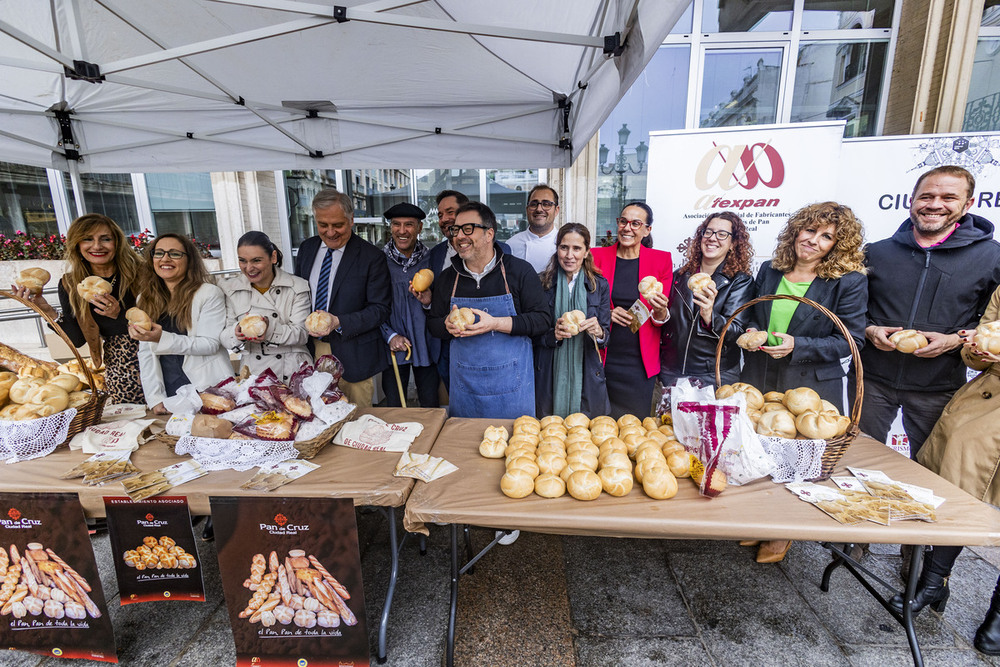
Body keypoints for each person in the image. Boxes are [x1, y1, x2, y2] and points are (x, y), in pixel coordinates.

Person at [741, 201, 868, 564]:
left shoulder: (848, 282)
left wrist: (798, 346)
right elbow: (754, 312)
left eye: (826, 236)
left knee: (799, 461)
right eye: (809, 230)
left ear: (837, 246)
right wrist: (753, 330)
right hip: (762, 376)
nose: (812, 240)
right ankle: (763, 522)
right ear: (796, 230)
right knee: (762, 451)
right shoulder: (769, 269)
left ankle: (783, 531)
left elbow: (851, 339)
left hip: (810, 387)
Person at [859, 165, 1000, 461]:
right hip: (870, 380)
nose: (935, 205)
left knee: (930, 469)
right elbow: (852, 310)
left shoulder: (991, 257)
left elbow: (993, 324)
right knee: (858, 458)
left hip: (939, 386)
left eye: (949, 197)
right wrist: (869, 329)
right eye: (927, 196)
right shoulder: (877, 252)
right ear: (912, 200)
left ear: (968, 204)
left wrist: (955, 340)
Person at [890, 285, 1000, 655]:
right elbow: (976, 355)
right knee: (957, 495)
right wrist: (976, 350)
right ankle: (933, 582)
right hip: (986, 409)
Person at [427, 201, 550, 418]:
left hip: (513, 388)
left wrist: (495, 323)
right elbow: (433, 324)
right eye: (456, 230)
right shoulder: (447, 278)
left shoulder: (519, 271)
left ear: (489, 233)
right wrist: (446, 325)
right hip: (466, 390)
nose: (459, 236)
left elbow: (542, 320)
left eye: (468, 229)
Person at [12, 214, 144, 404]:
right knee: (133, 418)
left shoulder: (142, 273)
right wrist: (47, 310)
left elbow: (167, 320)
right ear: (77, 245)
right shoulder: (71, 284)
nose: (97, 246)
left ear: (117, 242)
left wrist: (120, 316)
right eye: (87, 239)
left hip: (160, 352)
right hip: (120, 363)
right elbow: (77, 339)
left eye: (105, 239)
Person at [294, 189, 391, 407]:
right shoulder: (307, 249)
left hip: (353, 356)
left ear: (351, 220)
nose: (330, 232)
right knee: (316, 417)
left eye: (337, 225)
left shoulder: (371, 257)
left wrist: (338, 322)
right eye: (323, 225)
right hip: (312, 351)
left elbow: (380, 309)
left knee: (357, 425)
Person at [129, 234, 233, 413]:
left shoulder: (208, 293)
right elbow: (146, 353)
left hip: (208, 388)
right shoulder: (144, 298)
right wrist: (154, 398)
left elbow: (209, 344)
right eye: (159, 253)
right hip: (170, 392)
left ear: (189, 260)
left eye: (175, 254)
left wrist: (161, 338)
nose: (165, 259)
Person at [590, 201, 672, 419]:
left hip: (638, 362)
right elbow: (585, 302)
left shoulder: (661, 260)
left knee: (634, 428)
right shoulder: (595, 256)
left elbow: (660, 317)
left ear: (647, 230)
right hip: (601, 356)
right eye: (623, 221)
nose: (627, 228)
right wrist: (607, 313)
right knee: (598, 425)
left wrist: (661, 312)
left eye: (636, 223)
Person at [660, 211, 755, 388]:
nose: (712, 238)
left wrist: (710, 316)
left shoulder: (739, 281)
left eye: (722, 234)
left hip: (713, 374)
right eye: (708, 232)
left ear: (733, 243)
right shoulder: (679, 276)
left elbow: (737, 333)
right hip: (671, 371)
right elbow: (665, 323)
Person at [534, 223, 611, 418]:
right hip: (550, 373)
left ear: (586, 252)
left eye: (577, 248)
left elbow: (606, 336)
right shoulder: (541, 283)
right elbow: (532, 333)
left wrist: (598, 332)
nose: (569, 255)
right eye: (564, 247)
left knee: (585, 437)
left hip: (587, 374)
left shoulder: (599, 285)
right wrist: (553, 335)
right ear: (557, 248)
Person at [220, 231, 311, 381]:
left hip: (293, 371)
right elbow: (224, 336)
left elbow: (301, 334)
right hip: (254, 374)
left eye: (256, 260)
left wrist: (269, 330)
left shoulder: (297, 286)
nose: (249, 268)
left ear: (273, 257)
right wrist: (237, 332)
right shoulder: (231, 289)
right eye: (243, 261)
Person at [380, 202, 440, 407]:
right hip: (393, 343)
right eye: (396, 224)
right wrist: (389, 335)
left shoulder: (431, 259)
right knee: (395, 405)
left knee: (430, 405)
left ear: (420, 228)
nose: (402, 231)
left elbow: (441, 302)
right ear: (390, 227)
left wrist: (429, 303)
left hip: (426, 343)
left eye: (409, 225)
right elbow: (372, 304)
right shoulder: (379, 260)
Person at [506, 184, 560, 273]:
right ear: (527, 209)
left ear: (556, 210)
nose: (539, 209)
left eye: (546, 204)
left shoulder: (564, 244)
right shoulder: (511, 245)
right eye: (533, 204)